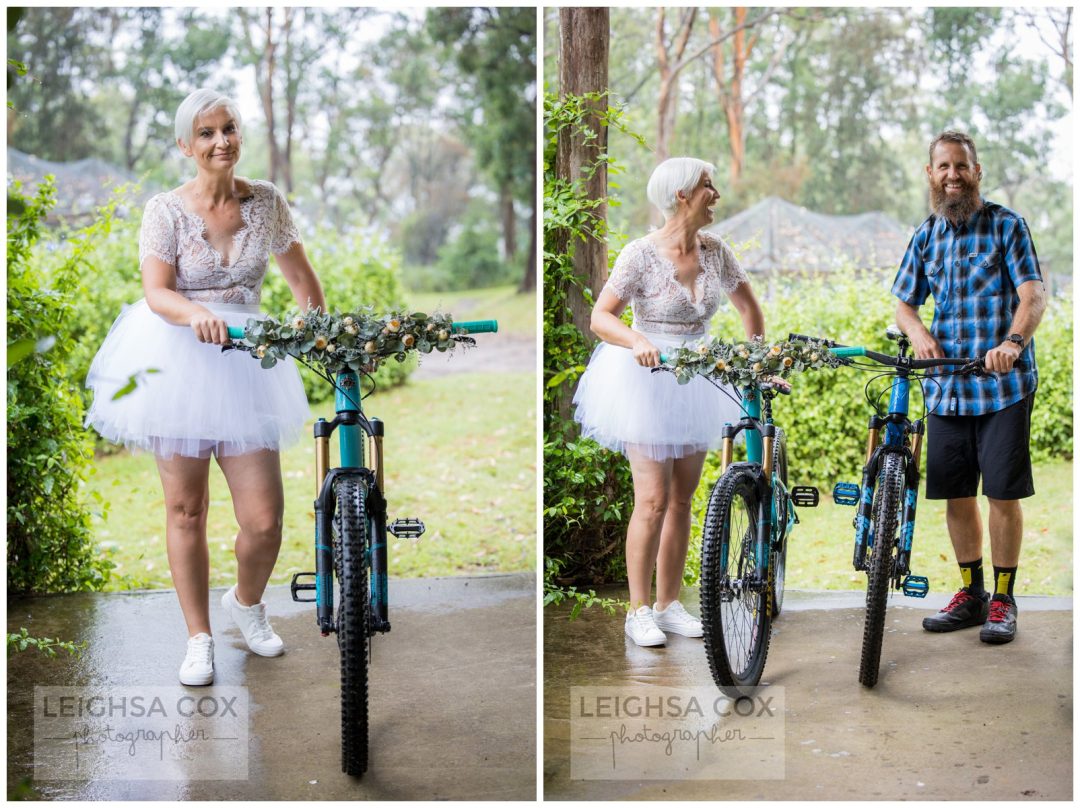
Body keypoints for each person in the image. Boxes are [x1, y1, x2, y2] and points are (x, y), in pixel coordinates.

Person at [85, 89, 326, 684]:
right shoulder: (164, 210)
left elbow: (303, 282)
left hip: (247, 364)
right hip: (178, 358)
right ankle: (199, 638)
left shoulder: (266, 203)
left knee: (265, 519)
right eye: (207, 133)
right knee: (186, 509)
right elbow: (157, 292)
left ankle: (244, 606)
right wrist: (194, 315)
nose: (222, 141)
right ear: (186, 145)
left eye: (229, 129)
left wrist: (316, 328)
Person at [573, 157, 775, 647]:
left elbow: (750, 310)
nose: (716, 194)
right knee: (652, 499)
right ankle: (637, 610)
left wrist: (753, 362)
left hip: (699, 379)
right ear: (683, 194)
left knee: (683, 499)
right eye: (708, 185)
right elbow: (602, 318)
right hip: (646, 378)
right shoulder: (640, 254)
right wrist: (636, 339)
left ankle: (668, 605)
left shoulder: (717, 251)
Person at [892, 130, 1046, 645]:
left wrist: (1013, 343)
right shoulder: (925, 235)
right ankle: (971, 594)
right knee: (957, 494)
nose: (952, 175)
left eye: (961, 166)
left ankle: (1003, 598)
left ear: (976, 172)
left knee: (1001, 493)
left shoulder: (1007, 225)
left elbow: (1033, 297)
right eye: (943, 167)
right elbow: (904, 305)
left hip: (1002, 386)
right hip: (946, 389)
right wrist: (918, 333)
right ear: (930, 175)